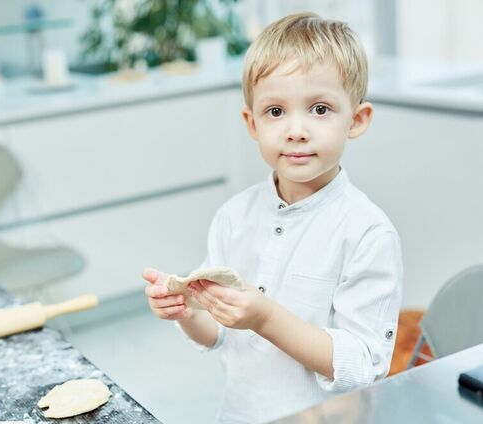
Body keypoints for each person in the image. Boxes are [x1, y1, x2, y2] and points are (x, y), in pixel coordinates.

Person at [142, 11, 403, 423]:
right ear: (252, 123)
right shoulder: (233, 217)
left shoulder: (367, 232)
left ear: (356, 120)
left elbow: (362, 365)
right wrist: (189, 313)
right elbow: (218, 335)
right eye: (276, 112)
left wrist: (264, 317)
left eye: (319, 108)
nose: (296, 130)